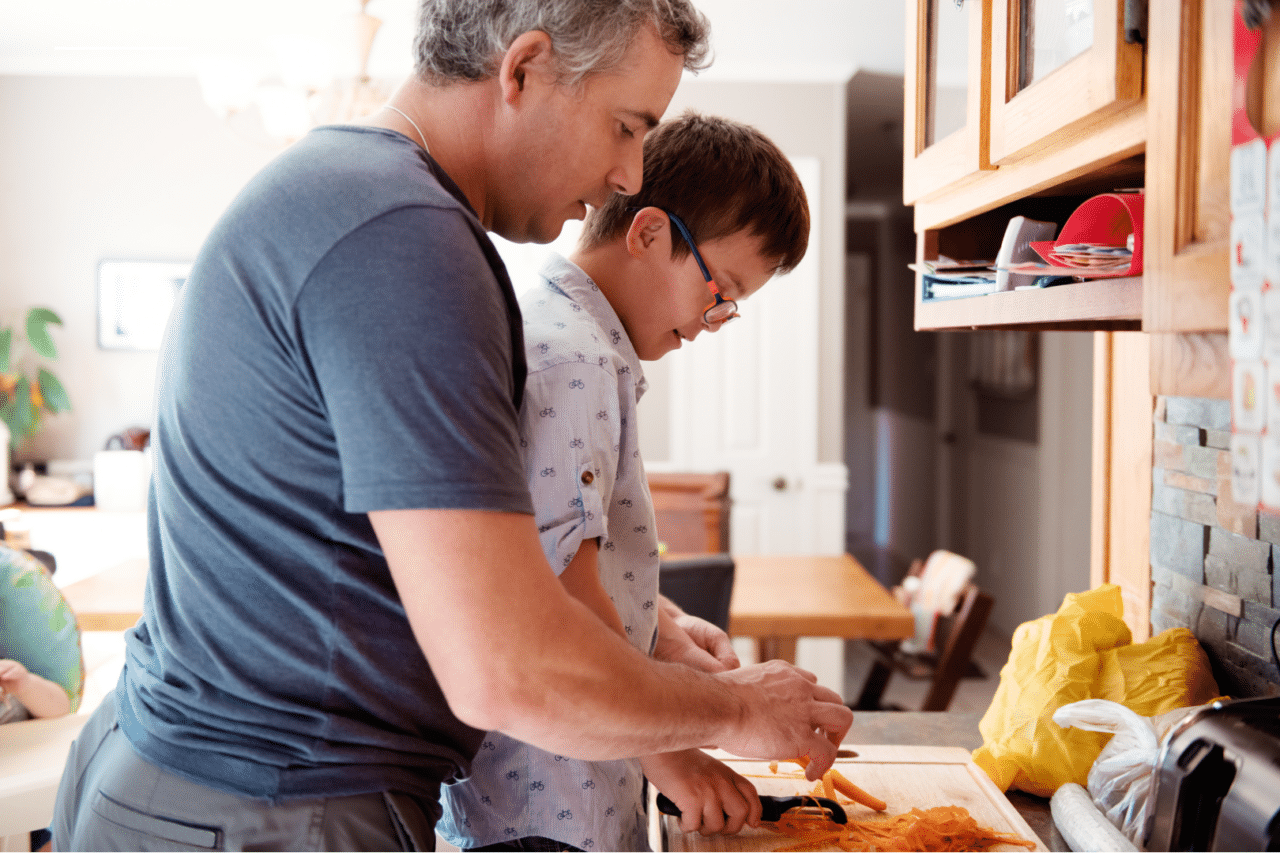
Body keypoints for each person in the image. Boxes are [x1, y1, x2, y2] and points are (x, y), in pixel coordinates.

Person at [53, 2, 853, 850]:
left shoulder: (348, 191)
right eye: (626, 127)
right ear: (524, 70)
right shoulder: (406, 242)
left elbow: (451, 558)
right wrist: (734, 708)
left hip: (187, 773)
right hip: (267, 803)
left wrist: (645, 618)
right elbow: (508, 668)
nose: (628, 176)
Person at [437, 112, 811, 852]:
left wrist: (658, 626)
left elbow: (554, 551)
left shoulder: (562, 333)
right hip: (548, 804)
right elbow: (562, 605)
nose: (716, 319)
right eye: (721, 287)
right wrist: (674, 755)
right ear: (648, 234)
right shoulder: (575, 360)